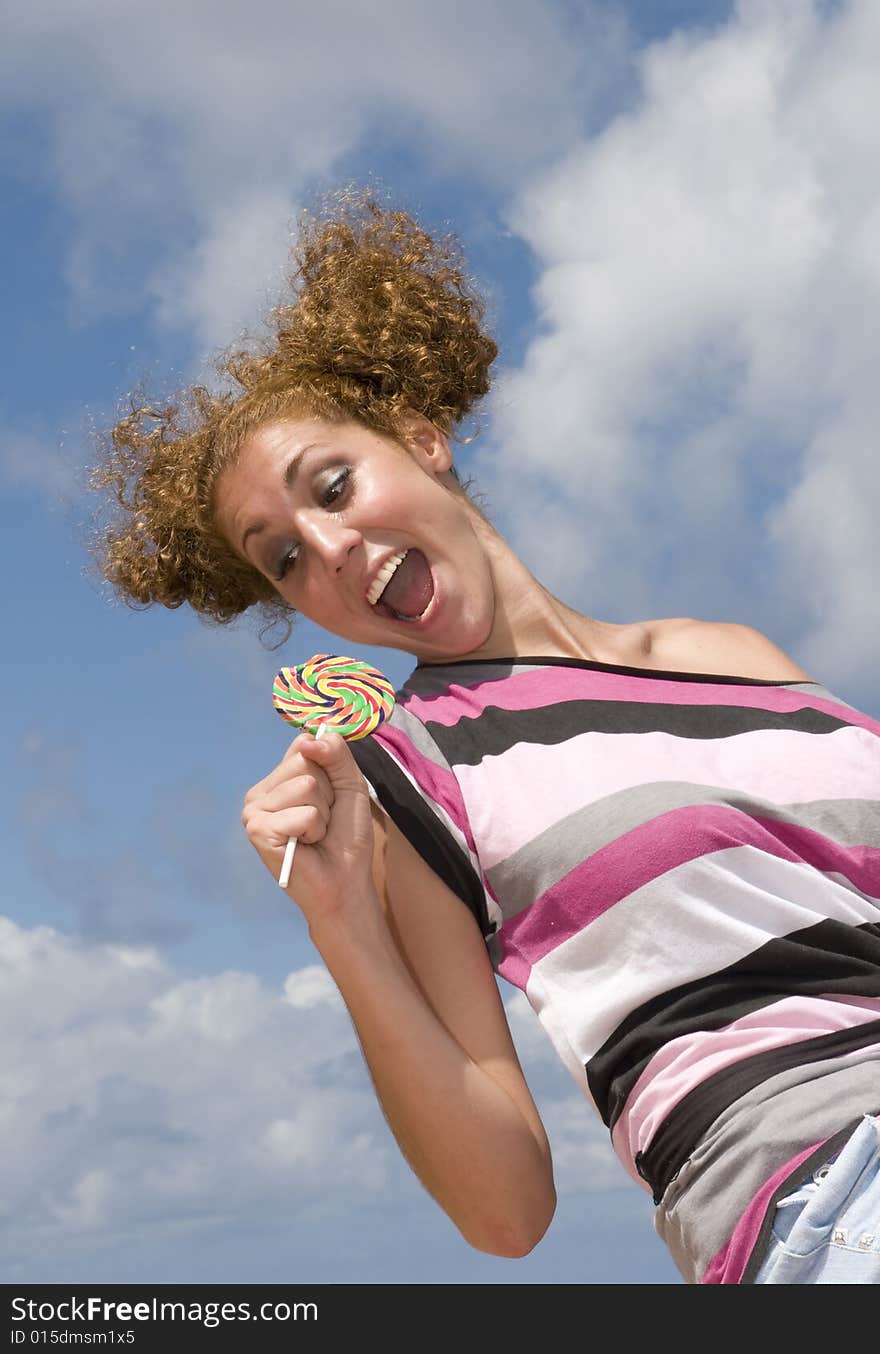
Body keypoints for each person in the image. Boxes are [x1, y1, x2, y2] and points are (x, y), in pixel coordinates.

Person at [90, 190, 880, 1284]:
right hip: (823, 1189)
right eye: (279, 556)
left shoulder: (727, 651)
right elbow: (506, 1212)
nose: (324, 544)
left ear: (424, 439)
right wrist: (342, 921)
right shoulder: (416, 770)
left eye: (333, 484)